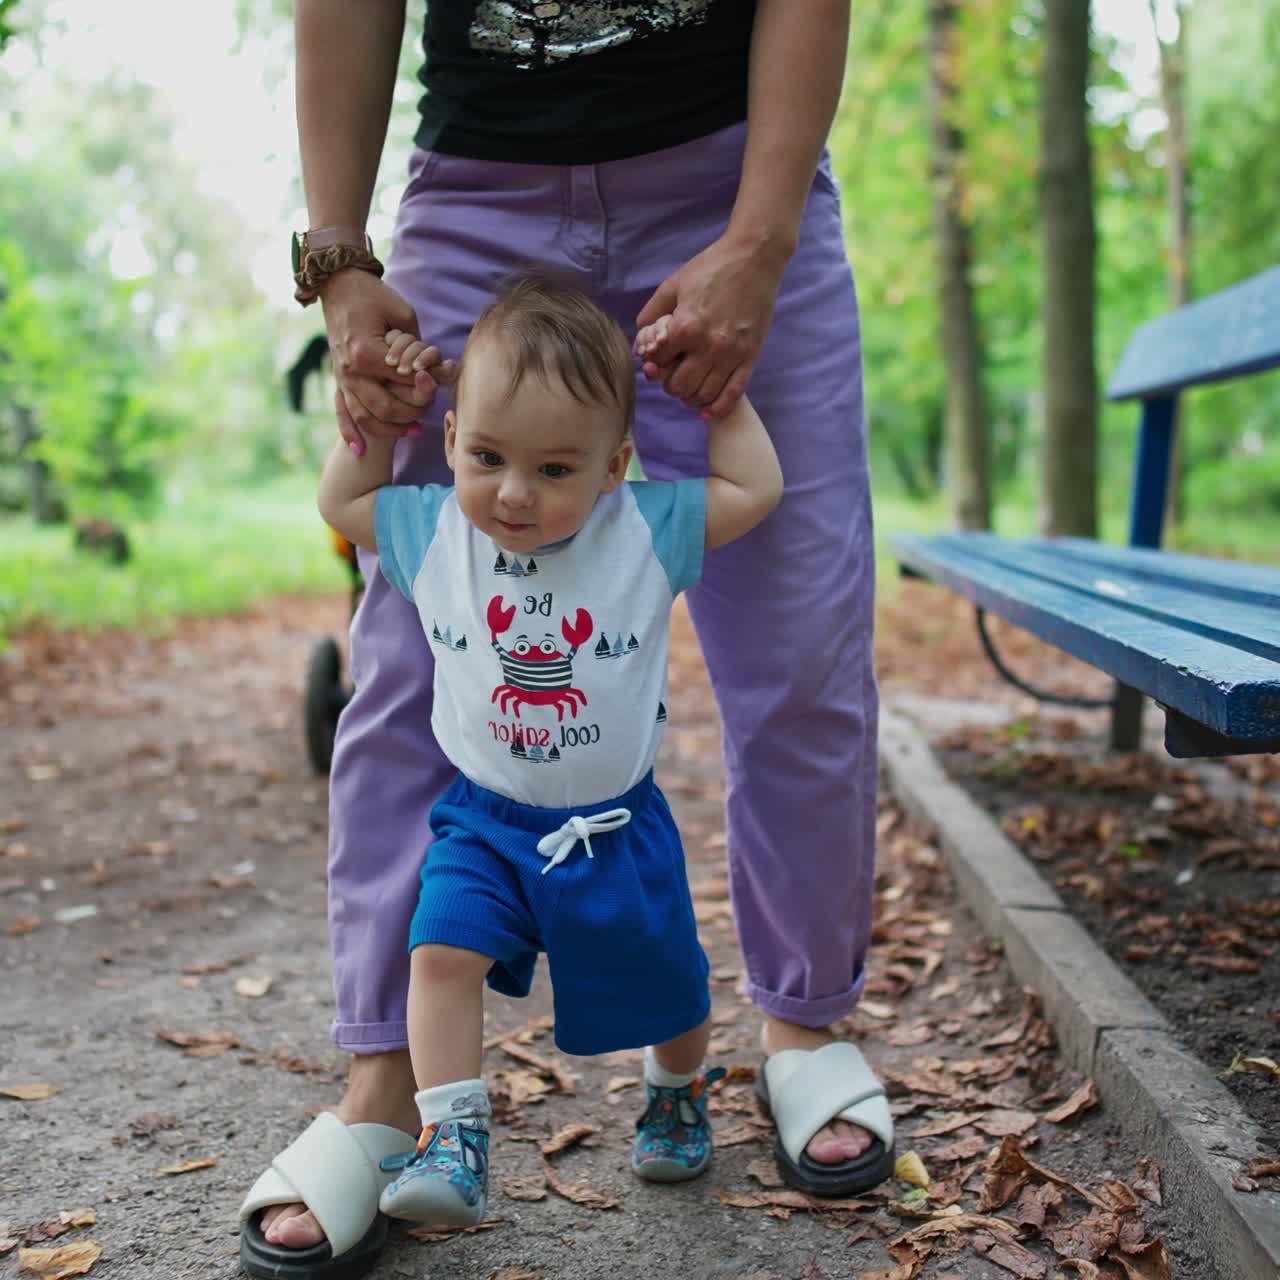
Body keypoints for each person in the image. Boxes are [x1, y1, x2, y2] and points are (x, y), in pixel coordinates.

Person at [241, 2, 893, 1275]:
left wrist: (759, 241)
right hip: (480, 183)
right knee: (404, 667)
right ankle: (387, 1092)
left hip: (730, 171)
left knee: (801, 642)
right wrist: (341, 255)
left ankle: (805, 1028)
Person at [316, 277, 781, 1234]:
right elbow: (343, 494)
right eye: (487, 456)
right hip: (481, 819)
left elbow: (755, 489)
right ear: (452, 443)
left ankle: (677, 1087)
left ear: (613, 468)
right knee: (438, 952)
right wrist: (382, 412)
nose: (515, 493)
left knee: (672, 989)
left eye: (556, 470)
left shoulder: (641, 530)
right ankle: (453, 1135)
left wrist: (721, 402)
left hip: (612, 826)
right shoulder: (437, 529)